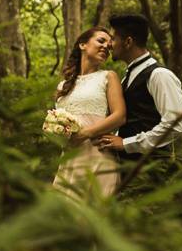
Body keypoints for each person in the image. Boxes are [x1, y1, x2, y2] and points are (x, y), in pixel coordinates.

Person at [96, 14, 182, 169]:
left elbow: (176, 125)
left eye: (113, 38)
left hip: (152, 169)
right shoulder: (126, 78)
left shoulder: (159, 75)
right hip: (127, 168)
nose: (110, 44)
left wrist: (126, 143)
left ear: (128, 42)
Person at [51, 26, 126, 197]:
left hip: (97, 156)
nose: (106, 46)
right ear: (82, 44)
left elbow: (119, 116)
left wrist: (85, 133)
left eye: (109, 45)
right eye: (101, 40)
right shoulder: (63, 86)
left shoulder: (108, 76)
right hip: (69, 158)